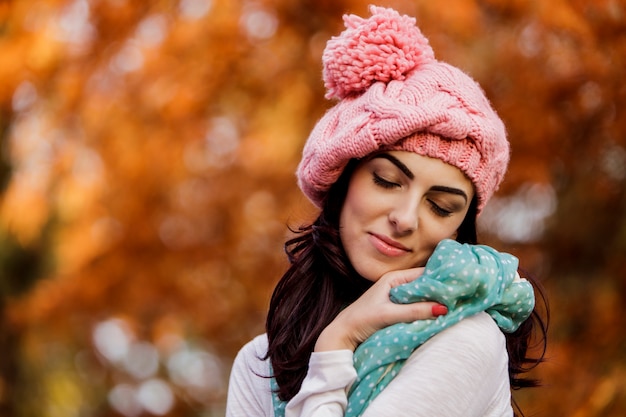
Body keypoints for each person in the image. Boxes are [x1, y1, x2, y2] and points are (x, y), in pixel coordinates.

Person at [226, 5, 548, 417]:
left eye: (441, 206)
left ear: (458, 229)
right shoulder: (259, 365)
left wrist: (337, 344)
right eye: (387, 181)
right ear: (343, 182)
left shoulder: (466, 339)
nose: (406, 217)